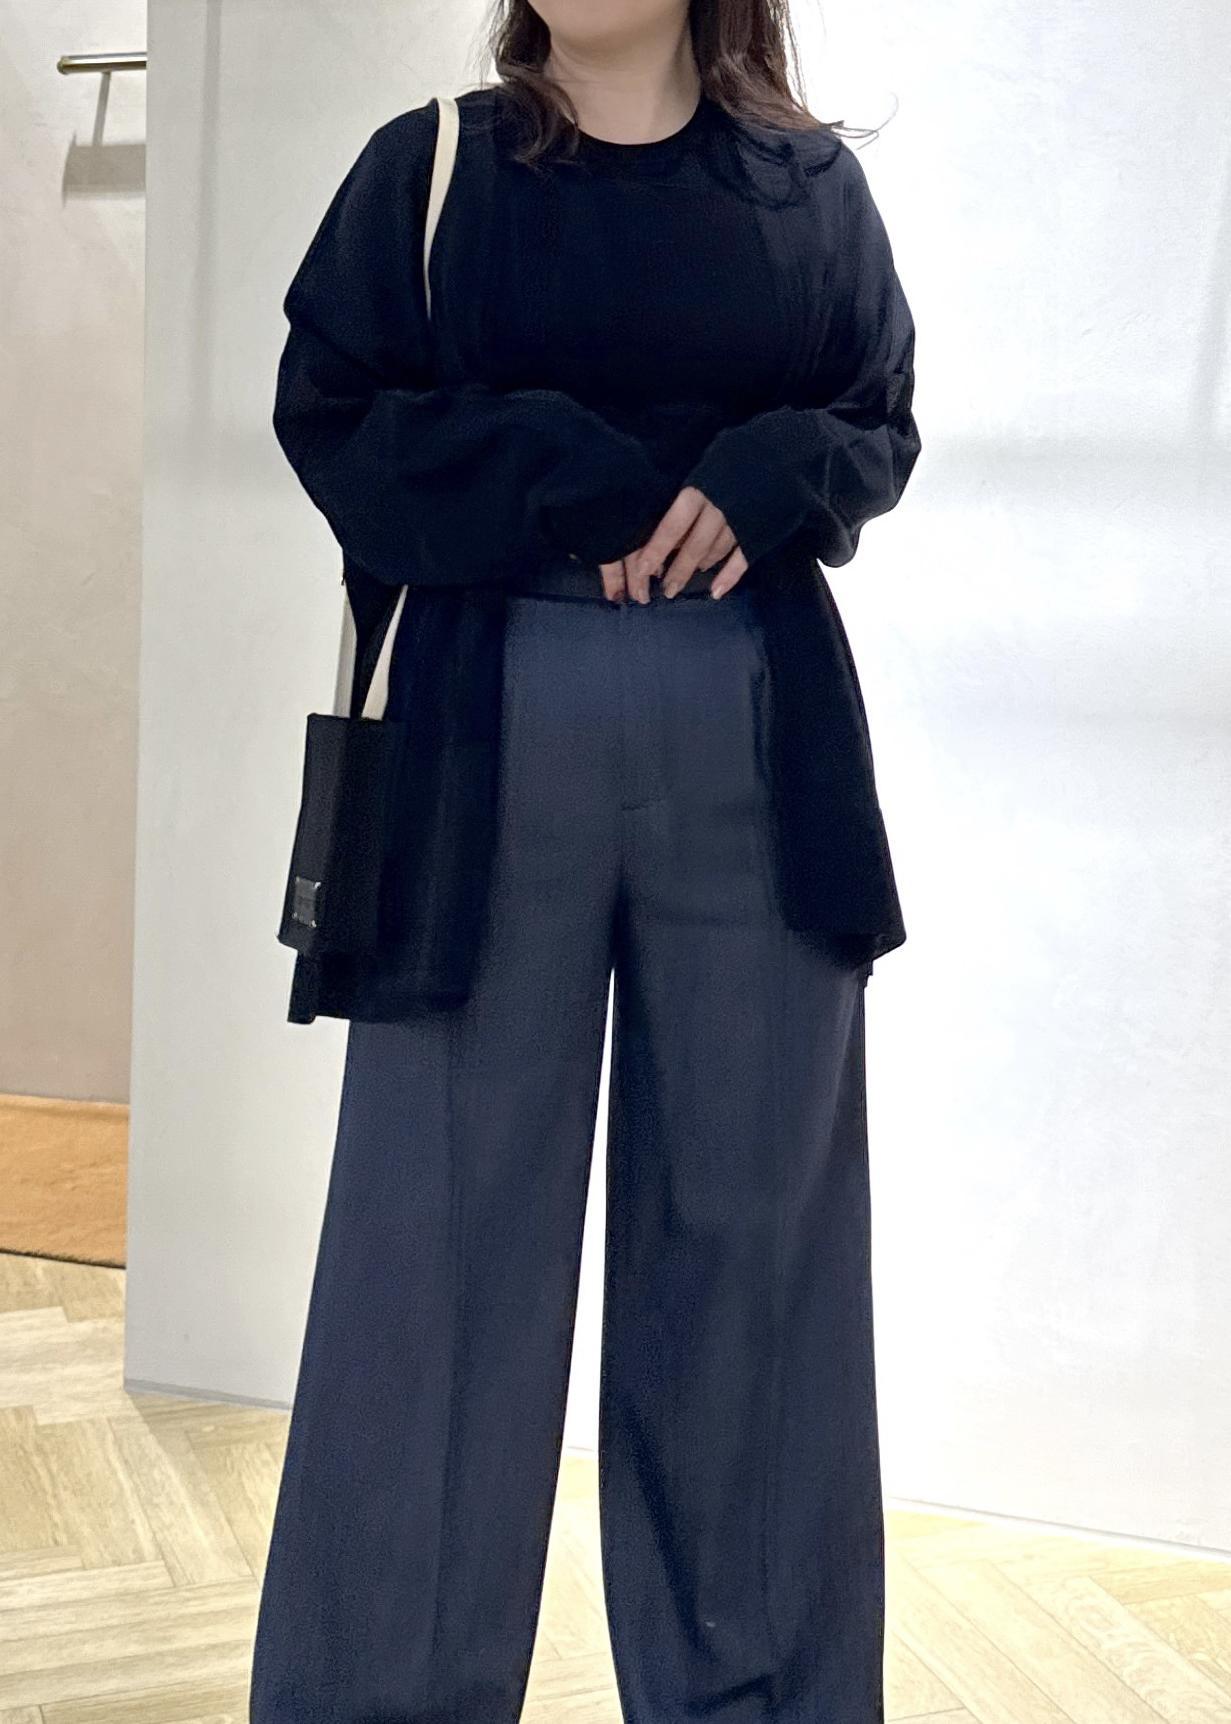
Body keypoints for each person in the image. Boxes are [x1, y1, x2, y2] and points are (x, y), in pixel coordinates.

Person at [249, 3, 921, 1721]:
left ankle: (757, 1696)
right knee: (433, 1254)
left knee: (751, 1260)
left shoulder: (807, 189)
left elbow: (875, 421)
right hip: (485, 740)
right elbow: (332, 417)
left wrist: (770, 474)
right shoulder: (433, 171)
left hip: (756, 737)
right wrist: (556, 470)